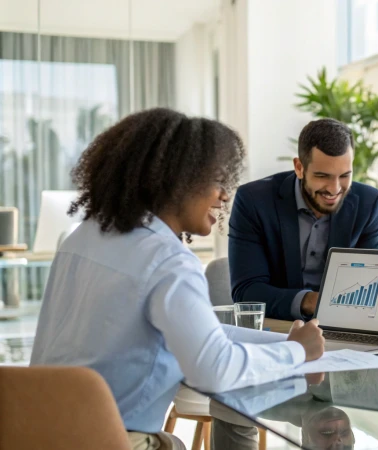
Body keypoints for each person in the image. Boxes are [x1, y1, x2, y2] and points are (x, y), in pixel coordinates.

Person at [29, 108, 325, 450]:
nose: (224, 195)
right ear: (176, 182)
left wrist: (289, 343)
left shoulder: (81, 238)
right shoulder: (167, 260)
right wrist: (295, 354)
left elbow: (205, 335)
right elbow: (213, 369)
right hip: (113, 440)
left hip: (40, 432)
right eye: (216, 182)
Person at [228, 118, 378, 321]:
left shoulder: (368, 203)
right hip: (279, 331)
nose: (334, 188)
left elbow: (372, 283)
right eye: (322, 176)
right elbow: (247, 294)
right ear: (299, 167)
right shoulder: (254, 201)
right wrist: (313, 302)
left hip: (342, 328)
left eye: (344, 175)